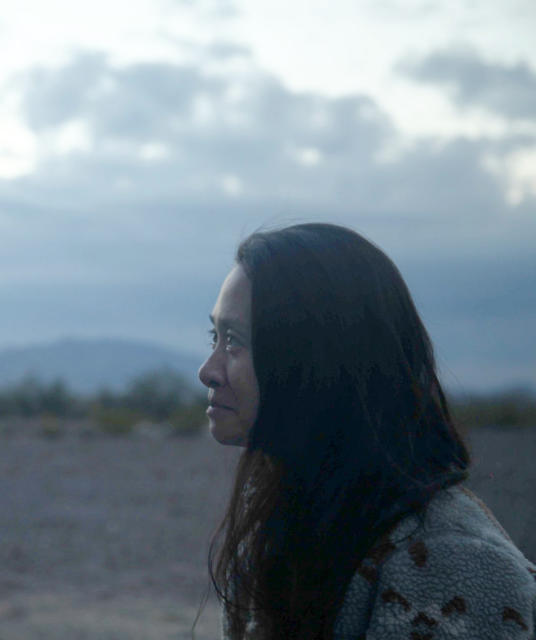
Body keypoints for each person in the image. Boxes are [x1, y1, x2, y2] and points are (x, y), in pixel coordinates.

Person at [197, 223, 536, 639]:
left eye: (234, 340)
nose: (207, 371)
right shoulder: (287, 519)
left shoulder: (453, 562)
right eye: (215, 335)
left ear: (317, 358)